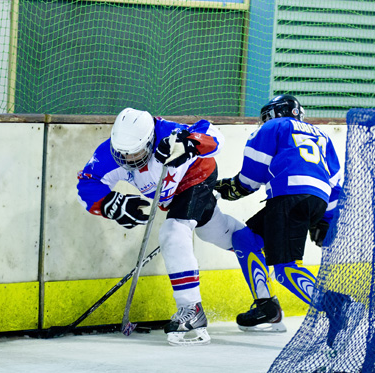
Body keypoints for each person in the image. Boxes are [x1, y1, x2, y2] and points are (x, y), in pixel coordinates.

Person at [77, 108, 256, 346]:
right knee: (212, 230)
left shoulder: (168, 132)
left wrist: (189, 143)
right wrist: (111, 204)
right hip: (171, 196)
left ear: (150, 140)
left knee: (173, 232)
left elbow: (214, 134)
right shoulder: (108, 153)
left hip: (197, 175)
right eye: (122, 154)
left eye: (136, 153)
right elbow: (87, 182)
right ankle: (257, 243)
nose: (128, 160)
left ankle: (191, 310)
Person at [214, 94, 346, 336]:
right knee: (246, 238)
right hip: (317, 200)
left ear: (277, 113)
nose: (264, 121)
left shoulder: (275, 126)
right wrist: (326, 220)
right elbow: (336, 182)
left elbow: (252, 177)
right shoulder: (322, 136)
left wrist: (231, 188)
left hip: (288, 199)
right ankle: (266, 307)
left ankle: (339, 306)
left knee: (285, 270)